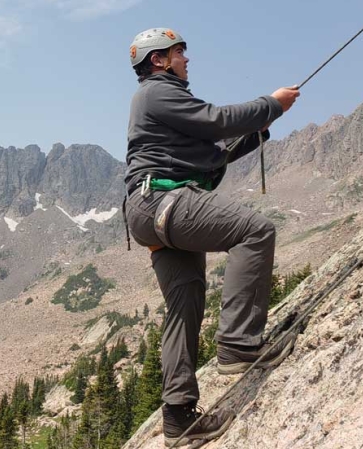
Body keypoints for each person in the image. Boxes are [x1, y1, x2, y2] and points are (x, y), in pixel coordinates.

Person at [123, 28, 301, 446]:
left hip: (148, 210)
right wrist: (270, 104)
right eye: (179, 52)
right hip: (162, 200)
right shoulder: (156, 92)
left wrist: (261, 126)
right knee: (255, 231)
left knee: (185, 305)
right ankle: (239, 345)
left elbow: (210, 157)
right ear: (158, 61)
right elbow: (215, 122)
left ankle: (178, 417)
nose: (187, 59)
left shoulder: (157, 102)